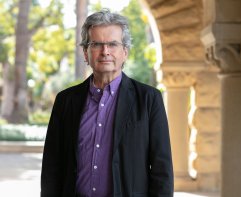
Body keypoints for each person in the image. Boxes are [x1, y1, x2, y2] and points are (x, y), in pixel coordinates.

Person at [41, 8, 174, 197]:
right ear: (86, 53)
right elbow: (51, 167)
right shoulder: (65, 101)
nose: (105, 52)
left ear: (125, 52)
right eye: (96, 44)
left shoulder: (149, 99)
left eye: (112, 44)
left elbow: (162, 170)